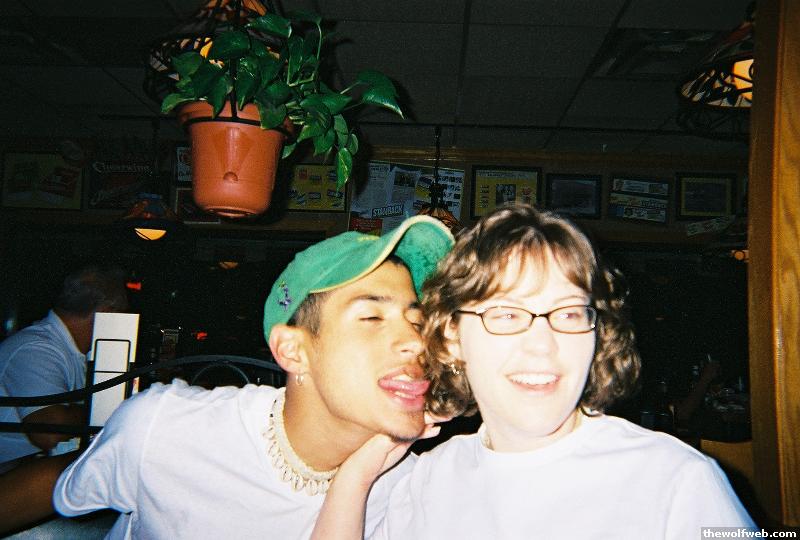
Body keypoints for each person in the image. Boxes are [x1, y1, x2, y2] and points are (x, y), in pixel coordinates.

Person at [313, 204, 754, 540]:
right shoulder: (428, 480)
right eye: (506, 314)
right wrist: (357, 474)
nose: (543, 345)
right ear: (451, 336)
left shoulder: (675, 481)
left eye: (568, 313)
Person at [53, 216, 453, 539]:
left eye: (418, 322)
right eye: (372, 317)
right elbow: (56, 493)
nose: (417, 343)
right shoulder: (167, 429)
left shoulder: (408, 486)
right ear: (293, 351)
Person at [0, 265, 128, 533]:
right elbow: (47, 430)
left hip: (33, 473)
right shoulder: (35, 348)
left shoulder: (75, 351)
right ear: (107, 313)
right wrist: (107, 410)